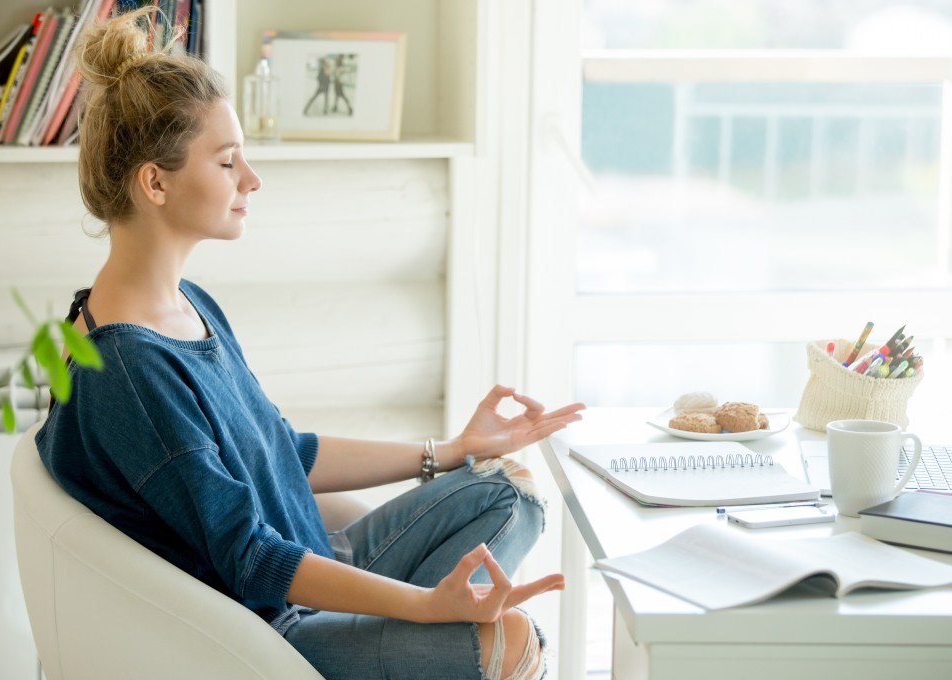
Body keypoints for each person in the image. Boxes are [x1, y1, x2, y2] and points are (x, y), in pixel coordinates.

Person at [36, 8, 585, 679]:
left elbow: (284, 454)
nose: (252, 181)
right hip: (270, 630)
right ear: (155, 182)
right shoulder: (128, 368)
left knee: (508, 490)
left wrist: (451, 452)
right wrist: (421, 606)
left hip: (316, 557)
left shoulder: (187, 306)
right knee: (513, 642)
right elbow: (251, 558)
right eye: (228, 161)